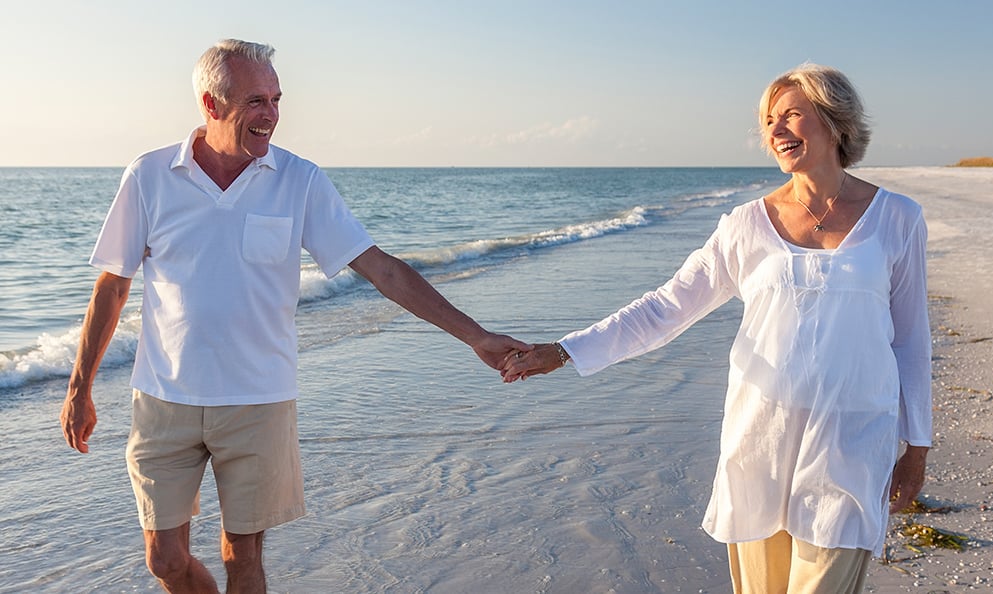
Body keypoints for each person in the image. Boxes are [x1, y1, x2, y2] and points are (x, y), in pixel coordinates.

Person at [60, 39, 528, 594]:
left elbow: (383, 270)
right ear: (212, 104)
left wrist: (474, 336)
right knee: (164, 560)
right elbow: (112, 287)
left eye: (277, 99)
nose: (272, 115)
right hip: (164, 398)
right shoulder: (150, 176)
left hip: (259, 400)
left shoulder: (300, 181)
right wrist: (79, 386)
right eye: (256, 101)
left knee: (244, 560)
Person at [501, 63, 931, 594]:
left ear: (835, 121)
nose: (775, 131)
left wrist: (917, 449)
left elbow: (911, 340)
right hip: (760, 443)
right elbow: (666, 308)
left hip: (851, 444)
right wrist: (563, 351)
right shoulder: (745, 225)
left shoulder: (897, 218)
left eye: (792, 115)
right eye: (768, 120)